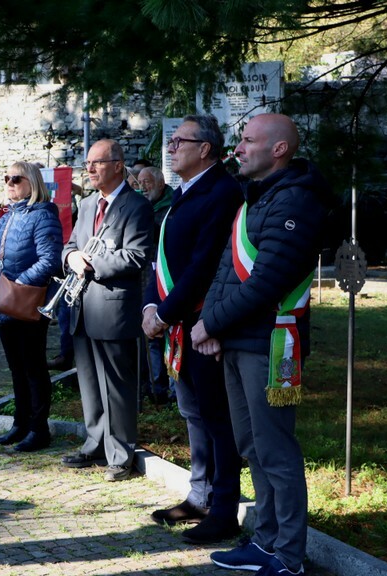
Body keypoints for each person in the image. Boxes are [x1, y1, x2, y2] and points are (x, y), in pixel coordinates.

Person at [194, 114, 333, 576]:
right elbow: (225, 272)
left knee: (275, 450)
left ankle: (289, 556)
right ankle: (266, 541)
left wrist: (210, 323)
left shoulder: (297, 201)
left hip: (270, 345)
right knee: (252, 446)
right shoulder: (257, 197)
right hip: (242, 339)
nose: (238, 148)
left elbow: (266, 282)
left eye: (248, 140)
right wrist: (214, 327)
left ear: (279, 149)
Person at [142, 115, 244, 544]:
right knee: (193, 414)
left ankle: (223, 509)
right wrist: (152, 304)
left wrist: (163, 314)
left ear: (205, 148)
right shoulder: (186, 191)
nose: (171, 148)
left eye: (178, 141)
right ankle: (200, 495)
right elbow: (162, 257)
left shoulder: (221, 191)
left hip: (204, 324)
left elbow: (204, 266)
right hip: (178, 322)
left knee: (218, 419)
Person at [60, 139, 152, 482]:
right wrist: (71, 256)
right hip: (82, 306)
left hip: (114, 310)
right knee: (89, 383)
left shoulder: (136, 205)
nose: (90, 169)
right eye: (88, 163)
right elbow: (71, 245)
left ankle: (120, 454)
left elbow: (136, 256)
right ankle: (95, 443)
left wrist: (91, 263)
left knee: (117, 387)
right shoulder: (86, 204)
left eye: (97, 163)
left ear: (117, 165)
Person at [0, 162, 62, 452]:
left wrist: (19, 284)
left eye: (16, 178)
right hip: (4, 302)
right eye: (6, 178)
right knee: (17, 368)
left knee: (33, 368)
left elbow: (50, 259)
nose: (9, 183)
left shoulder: (43, 215)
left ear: (32, 182)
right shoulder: (6, 216)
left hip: (27, 302)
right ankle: (20, 423)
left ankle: (39, 430)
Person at [139, 166, 176, 405]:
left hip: (167, 277)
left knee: (169, 332)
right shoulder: (144, 206)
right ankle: (155, 386)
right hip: (147, 280)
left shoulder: (172, 207)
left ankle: (173, 388)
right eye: (140, 182)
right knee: (150, 335)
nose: (143, 187)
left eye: (147, 182)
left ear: (160, 183)